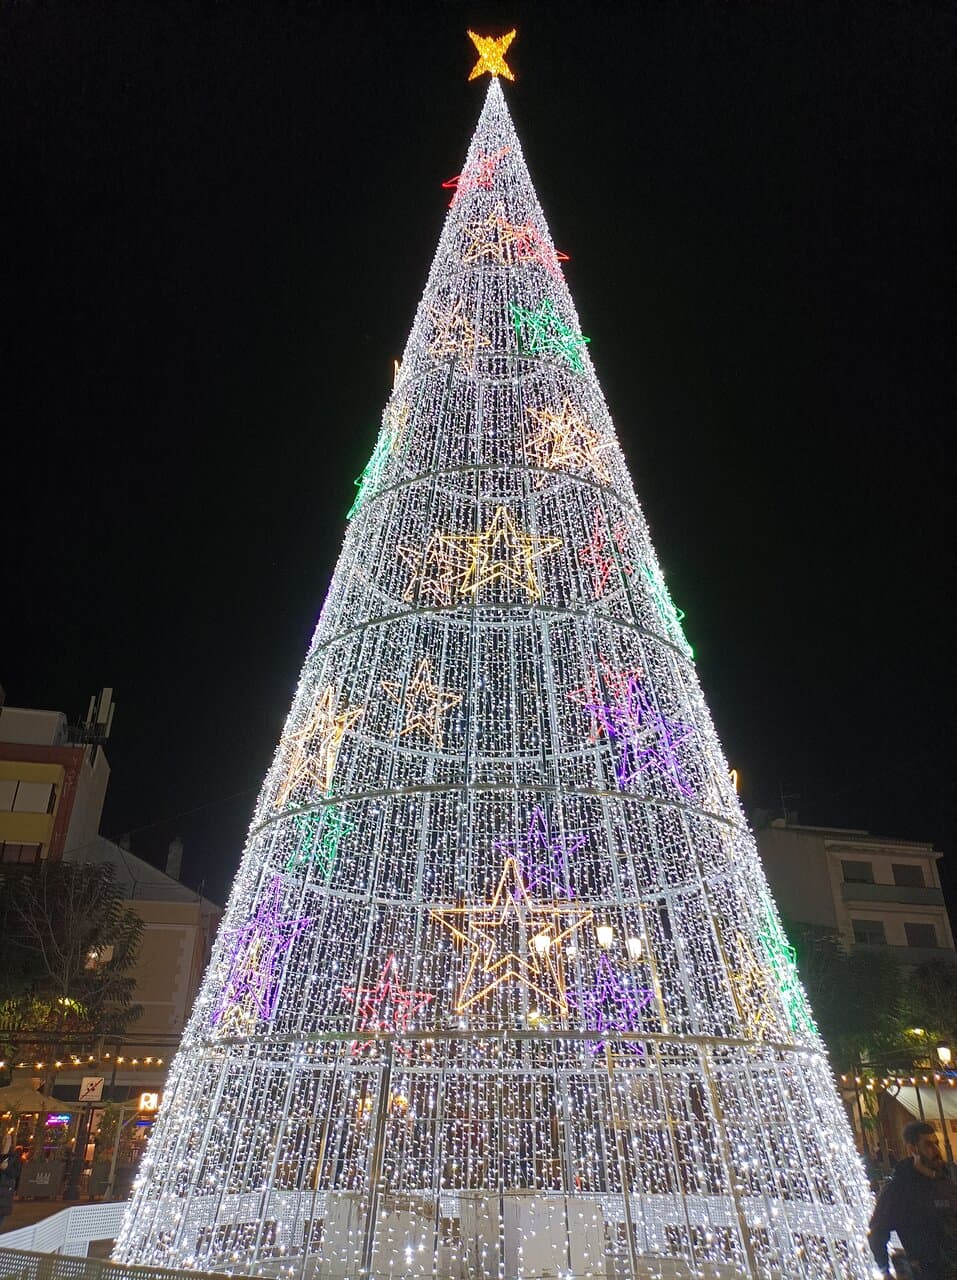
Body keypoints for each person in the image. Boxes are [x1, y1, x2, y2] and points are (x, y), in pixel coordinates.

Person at [869, 1119, 957, 1278]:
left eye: (936, 1143)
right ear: (912, 1149)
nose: (936, 1150)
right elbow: (878, 1232)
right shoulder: (899, 1189)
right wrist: (885, 1271)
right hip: (928, 1272)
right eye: (928, 1145)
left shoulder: (948, 1179)